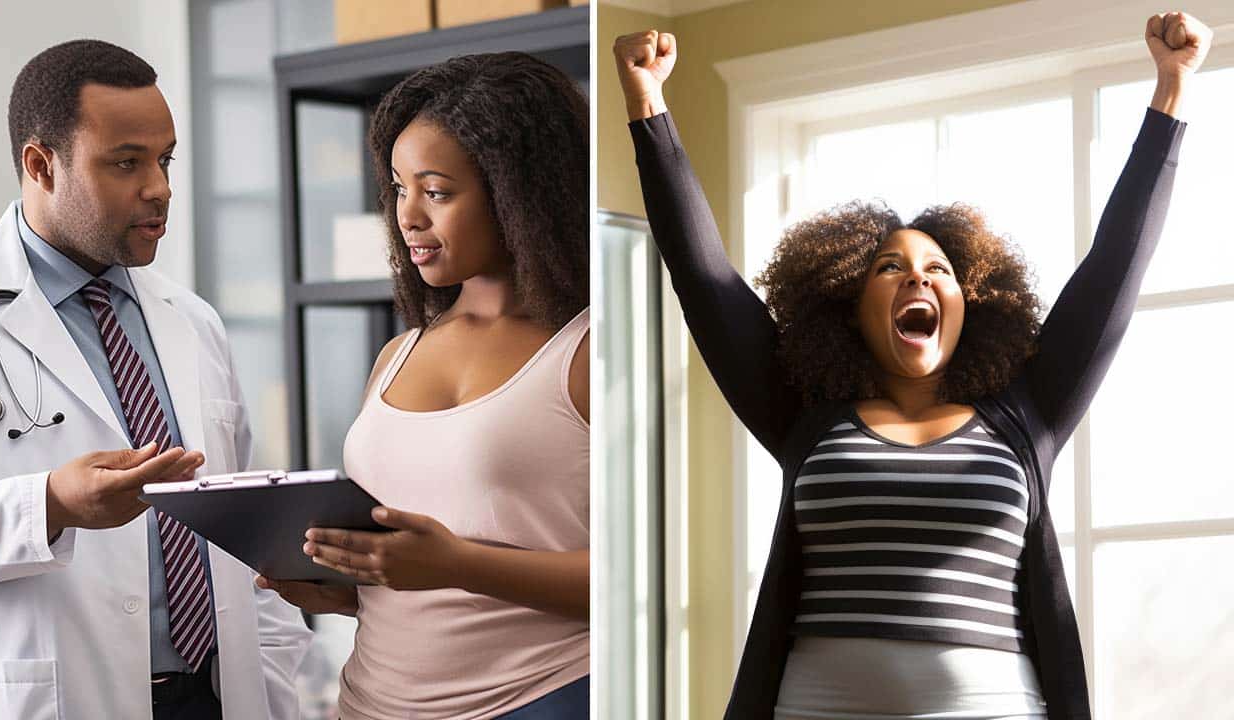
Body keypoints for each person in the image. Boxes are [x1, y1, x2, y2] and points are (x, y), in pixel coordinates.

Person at [614, 11, 1209, 720]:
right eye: (889, 267)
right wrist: (647, 102)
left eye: (940, 270)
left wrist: (1172, 87)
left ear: (972, 302)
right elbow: (704, 277)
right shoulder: (803, 411)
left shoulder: (1028, 413)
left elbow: (1118, 265)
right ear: (848, 306)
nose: (917, 279)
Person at [0, 40, 311, 719]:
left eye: (165, 158)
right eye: (126, 162)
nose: (161, 187)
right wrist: (49, 505)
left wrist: (280, 685)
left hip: (219, 695)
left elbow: (241, 530)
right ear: (41, 165)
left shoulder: (193, 321)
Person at [257, 52, 590, 719]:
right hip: (369, 703)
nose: (406, 216)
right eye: (397, 188)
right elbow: (418, 576)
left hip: (537, 699)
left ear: (518, 189)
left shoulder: (591, 350)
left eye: (435, 191)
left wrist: (459, 563)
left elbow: (649, 577)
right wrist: (345, 584)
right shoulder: (397, 354)